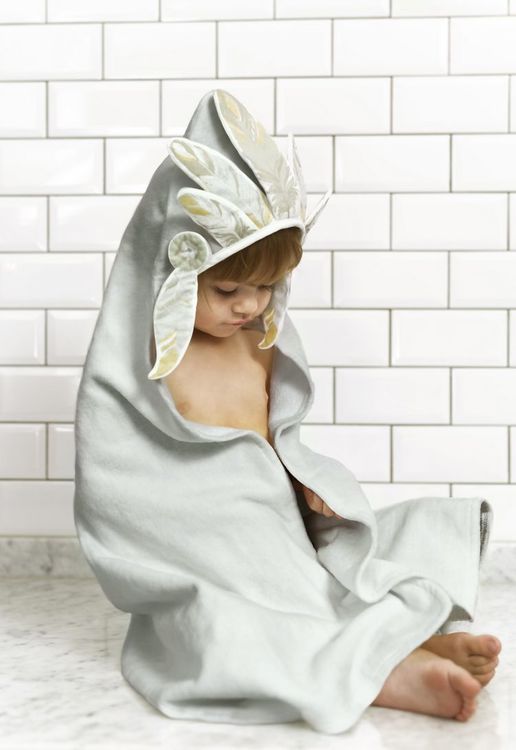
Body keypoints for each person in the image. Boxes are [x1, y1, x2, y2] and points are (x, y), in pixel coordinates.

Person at [74, 88, 500, 734]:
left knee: (373, 551)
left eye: (267, 287)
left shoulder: (259, 343)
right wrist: (197, 530)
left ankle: (391, 640)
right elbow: (124, 490)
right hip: (203, 556)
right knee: (215, 626)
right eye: (227, 288)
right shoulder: (140, 371)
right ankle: (380, 667)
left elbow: (275, 445)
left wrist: (306, 488)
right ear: (167, 272)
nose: (249, 305)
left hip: (279, 533)